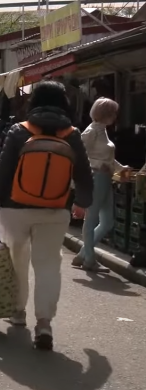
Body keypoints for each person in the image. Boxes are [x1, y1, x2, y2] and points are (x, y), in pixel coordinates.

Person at [0, 80, 94, 350]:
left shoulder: (20, 131)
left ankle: (18, 311)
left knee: (18, 260)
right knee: (48, 266)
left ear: (34, 101)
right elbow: (84, 176)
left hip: (15, 208)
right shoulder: (72, 134)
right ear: (64, 102)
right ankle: (44, 323)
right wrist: (83, 203)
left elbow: (1, 172)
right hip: (55, 210)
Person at [72, 98, 130, 272]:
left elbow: (107, 158)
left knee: (107, 221)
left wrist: (121, 168)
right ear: (106, 114)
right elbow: (80, 156)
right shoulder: (92, 132)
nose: (115, 116)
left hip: (105, 178)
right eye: (113, 113)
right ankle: (89, 259)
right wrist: (98, 165)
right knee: (92, 219)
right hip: (96, 178)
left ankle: (84, 253)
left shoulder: (101, 130)